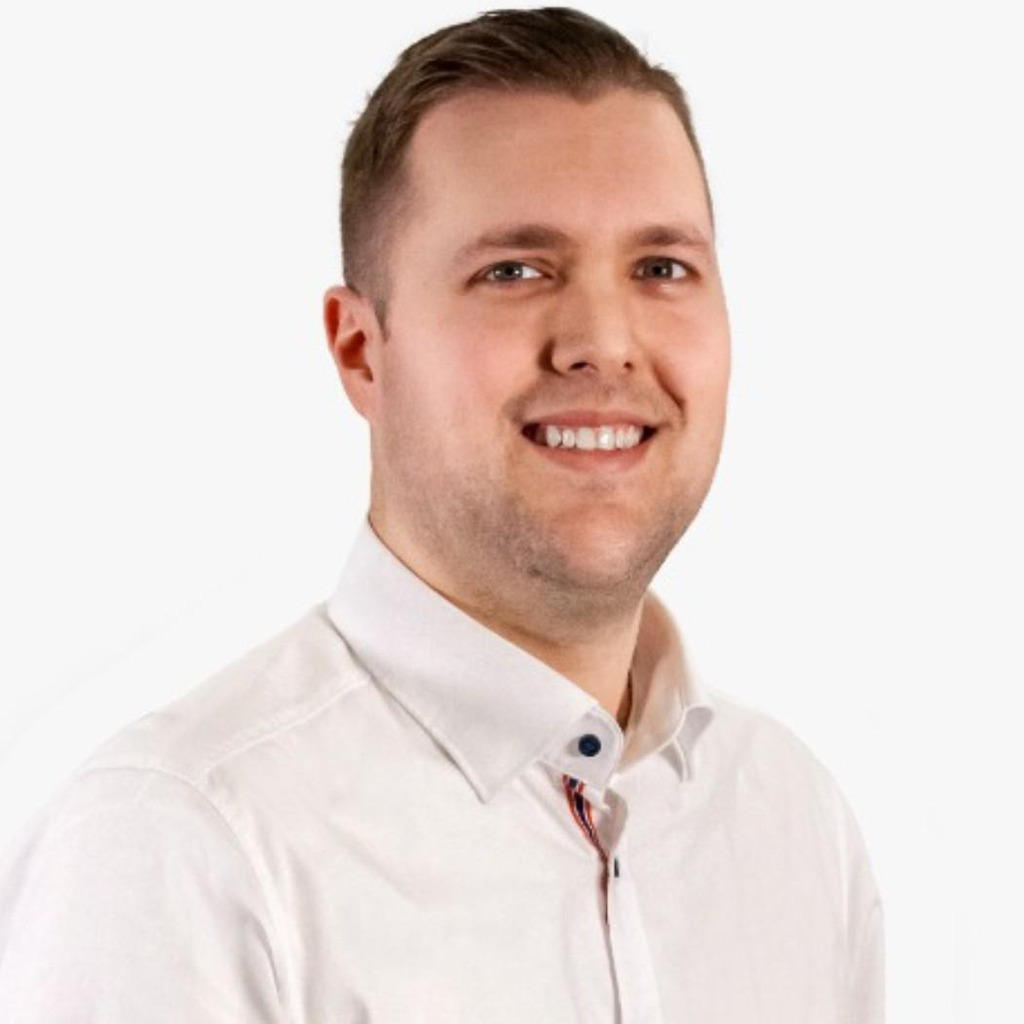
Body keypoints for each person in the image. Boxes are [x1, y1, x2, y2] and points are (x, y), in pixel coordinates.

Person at [0, 7, 884, 1022]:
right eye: (514, 270)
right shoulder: (186, 846)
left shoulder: (792, 822)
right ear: (360, 351)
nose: (603, 341)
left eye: (661, 268)